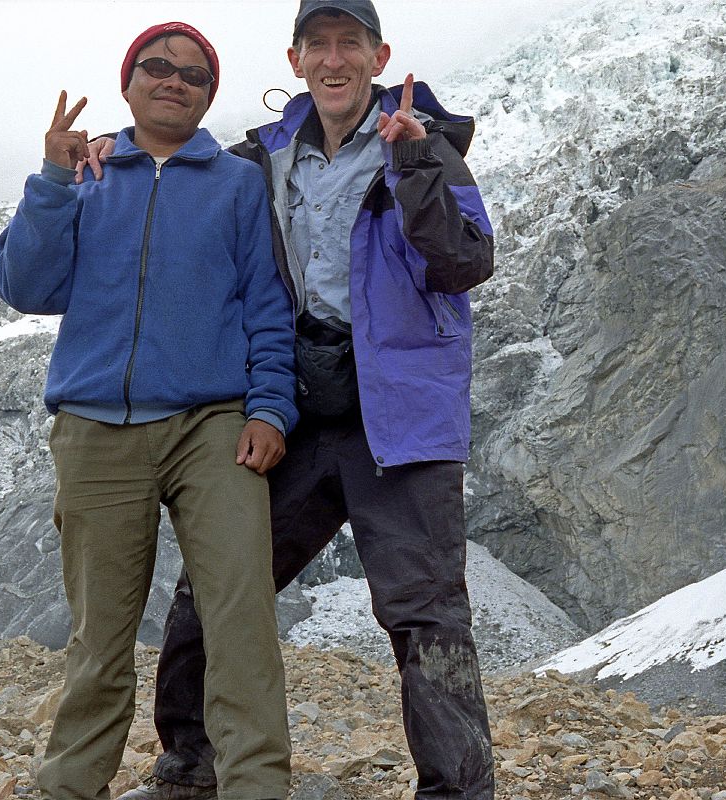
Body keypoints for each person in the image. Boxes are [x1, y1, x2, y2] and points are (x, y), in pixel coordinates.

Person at [113, 1, 499, 798]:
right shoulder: (263, 157)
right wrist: (98, 164)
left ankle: (457, 792)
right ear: (294, 60)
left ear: (377, 55)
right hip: (293, 411)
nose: (333, 60)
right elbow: (177, 201)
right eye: (316, 45)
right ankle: (188, 772)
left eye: (348, 45)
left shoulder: (426, 147)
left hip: (398, 419)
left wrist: (418, 163)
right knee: (215, 593)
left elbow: (462, 263)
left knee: (424, 616)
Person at [0, 22, 297, 800]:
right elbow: (25, 287)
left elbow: (266, 302)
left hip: (213, 424)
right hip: (96, 424)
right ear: (127, 83)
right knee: (100, 632)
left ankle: (256, 785)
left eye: (192, 75)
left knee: (240, 616)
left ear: (207, 96)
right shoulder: (86, 175)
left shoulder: (234, 182)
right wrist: (52, 180)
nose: (173, 80)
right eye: (156, 68)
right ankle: (70, 785)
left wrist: (269, 408)